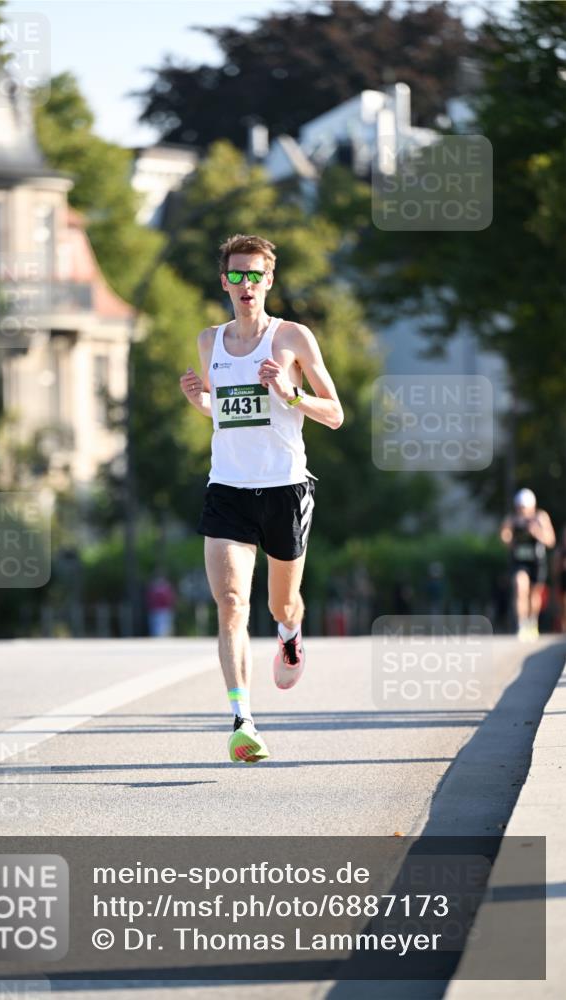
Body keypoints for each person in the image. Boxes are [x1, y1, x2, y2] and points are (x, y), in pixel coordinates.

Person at [179, 233, 343, 763]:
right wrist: (198, 398)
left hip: (285, 488)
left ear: (269, 280)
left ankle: (290, 633)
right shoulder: (210, 341)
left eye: (256, 275)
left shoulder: (292, 337)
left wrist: (290, 393)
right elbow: (223, 407)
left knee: (280, 603)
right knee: (230, 604)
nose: (246, 284)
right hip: (227, 488)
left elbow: (335, 413)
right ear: (224, 280)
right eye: (237, 274)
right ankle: (241, 719)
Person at [500, 488, 555, 640]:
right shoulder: (512, 519)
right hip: (520, 562)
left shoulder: (540, 518)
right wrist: (509, 537)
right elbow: (505, 537)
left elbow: (551, 541)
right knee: (520, 586)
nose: (522, 511)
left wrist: (536, 532)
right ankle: (522, 624)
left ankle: (532, 622)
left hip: (537, 562)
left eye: (524, 507)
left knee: (534, 594)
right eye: (519, 507)